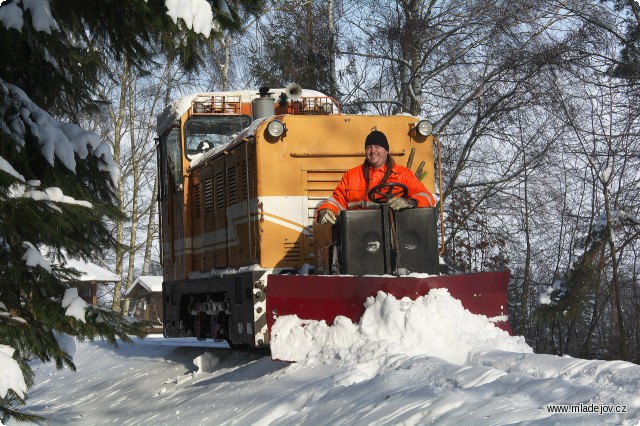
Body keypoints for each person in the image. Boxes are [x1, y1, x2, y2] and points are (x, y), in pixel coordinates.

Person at [316, 130, 436, 225]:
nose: (373, 151)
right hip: (357, 231)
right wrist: (325, 210)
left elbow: (427, 197)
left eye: (377, 146)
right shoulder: (351, 175)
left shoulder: (403, 174)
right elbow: (337, 200)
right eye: (369, 147)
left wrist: (410, 202)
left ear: (386, 150)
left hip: (395, 231)